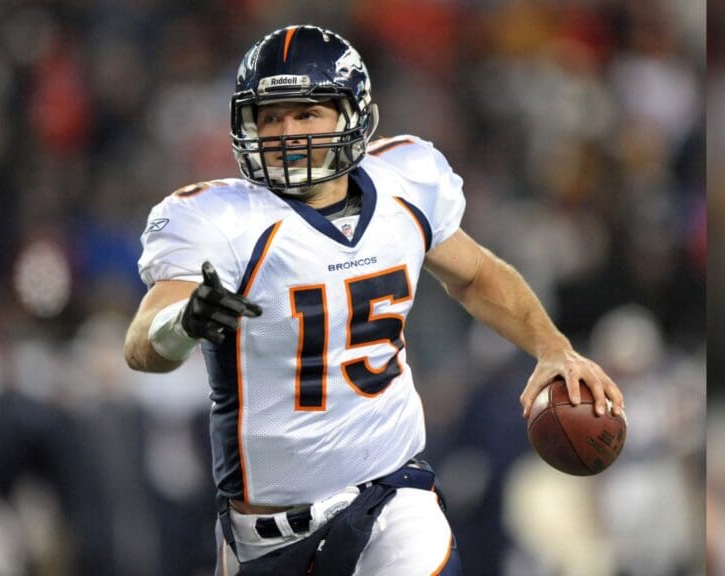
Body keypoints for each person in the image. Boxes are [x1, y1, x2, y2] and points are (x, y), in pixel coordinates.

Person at [124, 25, 625, 575]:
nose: (287, 132)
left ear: (352, 116)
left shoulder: (404, 187)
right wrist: (185, 323)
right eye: (271, 116)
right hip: (264, 539)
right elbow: (143, 345)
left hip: (393, 499)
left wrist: (553, 348)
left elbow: (477, 275)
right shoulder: (222, 221)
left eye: (307, 113)